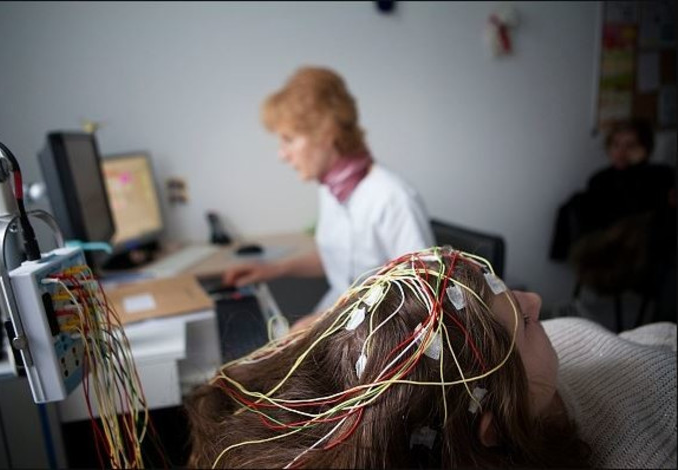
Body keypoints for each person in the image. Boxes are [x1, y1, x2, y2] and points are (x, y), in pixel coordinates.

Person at [184, 246, 677, 468]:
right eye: (525, 323)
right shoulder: (656, 427)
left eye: (515, 299)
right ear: (495, 426)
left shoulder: (531, 371)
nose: (536, 302)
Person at [222, 66, 435, 326]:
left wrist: (323, 321)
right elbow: (337, 258)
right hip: (337, 317)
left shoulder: (392, 198)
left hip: (381, 333)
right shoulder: (331, 189)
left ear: (325, 134)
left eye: (288, 140)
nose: (282, 154)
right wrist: (275, 270)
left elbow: (424, 294)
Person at [550, 118, 676, 321]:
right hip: (609, 247)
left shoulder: (658, 176)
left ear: (644, 148)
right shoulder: (601, 179)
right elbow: (608, 216)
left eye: (630, 146)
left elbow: (646, 209)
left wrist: (638, 167)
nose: (621, 152)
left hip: (646, 253)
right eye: (616, 145)